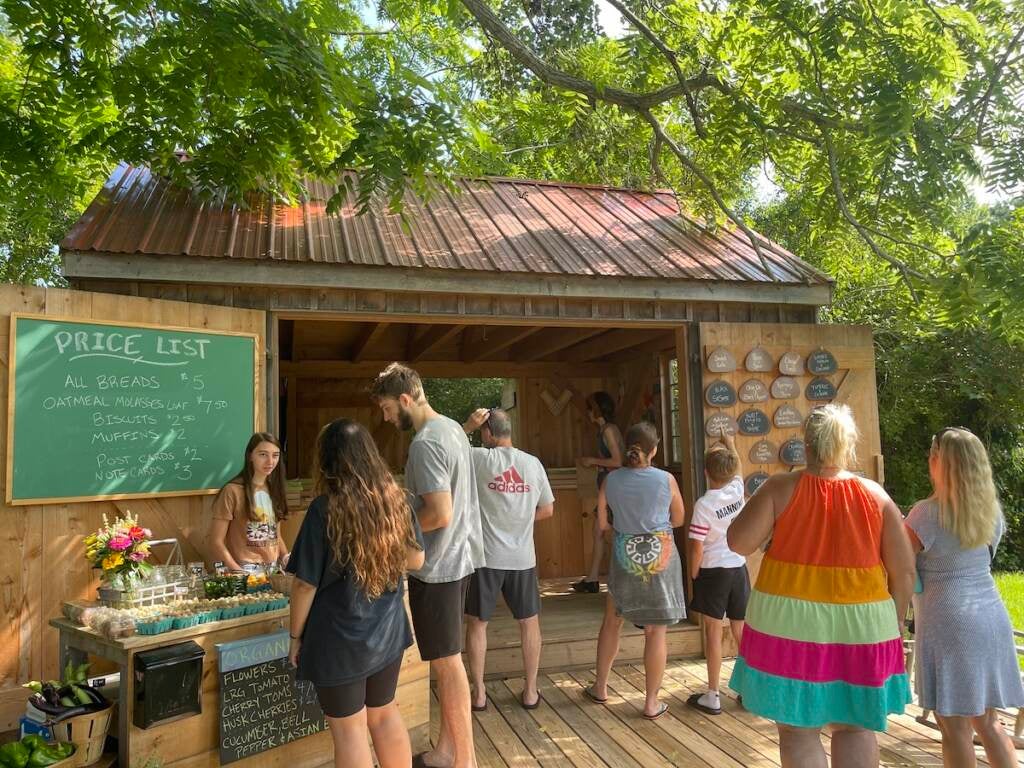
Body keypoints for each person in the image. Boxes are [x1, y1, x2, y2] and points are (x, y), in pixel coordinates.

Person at [727, 404, 916, 768]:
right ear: (847, 444)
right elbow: (904, 570)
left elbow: (737, 542)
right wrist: (894, 622)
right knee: (856, 727)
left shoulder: (781, 487)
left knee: (798, 731)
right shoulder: (875, 495)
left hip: (790, 628)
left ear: (807, 445)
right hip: (864, 628)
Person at [286, 419, 425, 768]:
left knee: (350, 731)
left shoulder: (323, 508)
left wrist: (294, 637)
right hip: (387, 631)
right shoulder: (395, 501)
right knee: (384, 715)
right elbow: (417, 559)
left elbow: (304, 585)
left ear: (328, 460)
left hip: (338, 639)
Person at [370, 363, 483, 768]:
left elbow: (438, 513)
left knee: (448, 662)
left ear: (404, 399)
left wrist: (390, 534)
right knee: (446, 658)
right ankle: (446, 751)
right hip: (461, 559)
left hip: (438, 566)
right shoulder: (452, 428)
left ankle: (464, 760)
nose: (385, 418)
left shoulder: (425, 443)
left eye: (386, 408)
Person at [904, 427, 1024, 768]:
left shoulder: (926, 514)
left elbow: (903, 570)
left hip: (948, 621)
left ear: (939, 463)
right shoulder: (993, 513)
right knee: (988, 721)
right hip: (991, 616)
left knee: (953, 725)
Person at [584, 422, 686, 721]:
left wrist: (622, 528)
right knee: (655, 632)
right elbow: (678, 519)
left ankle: (600, 686)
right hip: (661, 557)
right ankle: (651, 702)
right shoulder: (666, 480)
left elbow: (602, 525)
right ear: (654, 449)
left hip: (623, 556)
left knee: (612, 622)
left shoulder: (610, 481)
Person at [461, 407, 555, 712]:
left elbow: (446, 447)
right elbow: (548, 509)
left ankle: (478, 694)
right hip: (522, 558)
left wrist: (466, 426)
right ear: (509, 430)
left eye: (482, 432)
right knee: (529, 623)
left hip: (485, 557)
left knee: (477, 624)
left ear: (487, 433)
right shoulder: (532, 463)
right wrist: (520, 522)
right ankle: (530, 692)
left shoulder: (478, 459)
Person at [686, 428, 749, 716]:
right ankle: (750, 690)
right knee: (740, 630)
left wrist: (693, 573)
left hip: (714, 571)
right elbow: (738, 466)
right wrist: (731, 443)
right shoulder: (737, 489)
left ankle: (712, 694)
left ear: (705, 473)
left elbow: (696, 548)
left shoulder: (703, 505)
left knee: (713, 632)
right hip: (739, 568)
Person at [209, 432, 290, 572]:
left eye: (275, 455)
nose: (270, 461)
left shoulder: (275, 490)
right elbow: (216, 541)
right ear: (250, 456)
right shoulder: (232, 491)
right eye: (263, 454)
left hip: (273, 569)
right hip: (244, 568)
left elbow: (275, 535)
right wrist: (239, 572)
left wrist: (287, 559)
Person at [572, 391, 624, 594]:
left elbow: (618, 461)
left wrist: (592, 461)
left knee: (609, 533)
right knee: (599, 531)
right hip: (609, 488)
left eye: (589, 408)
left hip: (613, 489)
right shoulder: (607, 428)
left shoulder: (608, 431)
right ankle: (592, 579)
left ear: (596, 410)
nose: (588, 412)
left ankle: (618, 576)